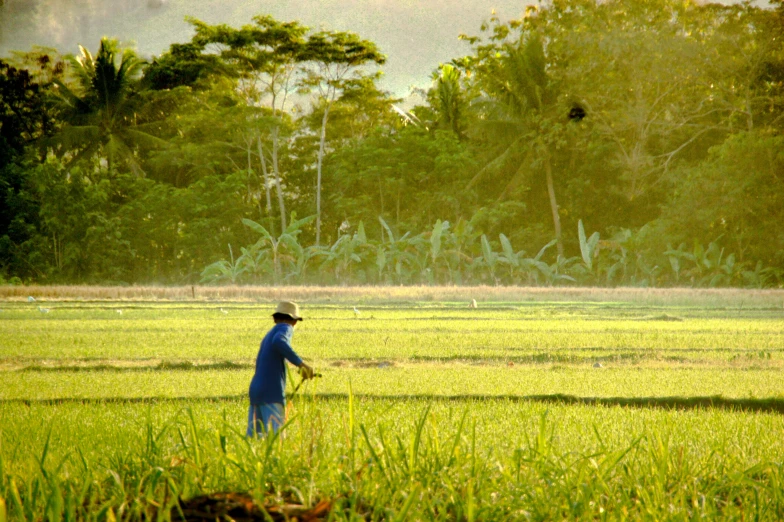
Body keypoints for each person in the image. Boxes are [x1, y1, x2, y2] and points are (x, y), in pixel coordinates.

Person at [247, 301, 314, 437]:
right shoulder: (285, 327)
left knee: (255, 439)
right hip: (271, 392)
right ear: (294, 321)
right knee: (276, 440)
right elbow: (280, 342)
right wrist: (302, 365)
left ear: (275, 318)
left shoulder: (270, 333)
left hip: (256, 391)